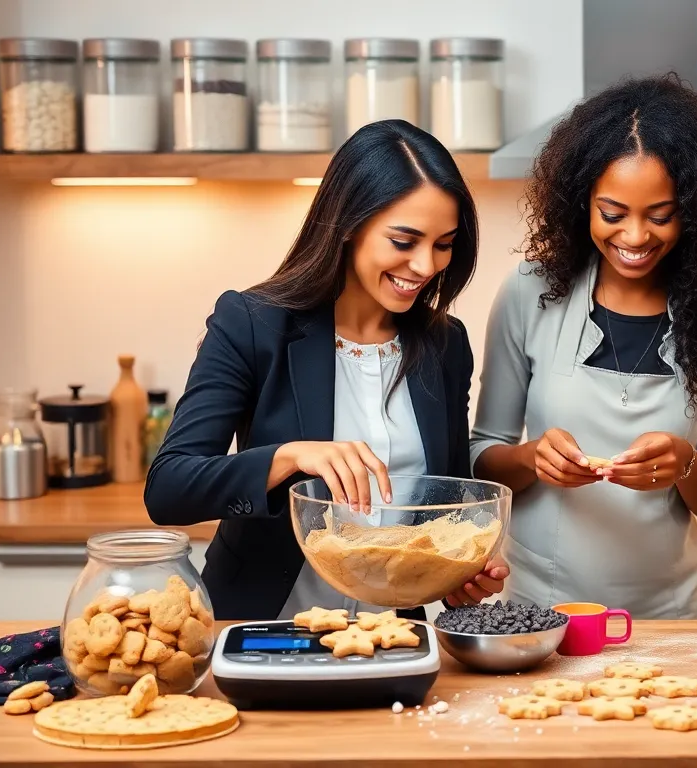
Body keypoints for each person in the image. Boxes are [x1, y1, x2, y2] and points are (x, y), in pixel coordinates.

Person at [145, 120, 507, 621]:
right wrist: (291, 457)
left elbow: (449, 509)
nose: (426, 266)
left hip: (393, 637)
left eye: (443, 244)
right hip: (261, 626)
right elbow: (169, 489)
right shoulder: (252, 323)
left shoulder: (445, 343)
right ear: (348, 225)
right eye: (404, 241)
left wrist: (457, 579)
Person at [470, 74, 697, 619]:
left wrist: (686, 466)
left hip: (673, 618)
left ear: (695, 210)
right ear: (581, 202)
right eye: (613, 213)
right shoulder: (530, 292)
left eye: (660, 215)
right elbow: (481, 455)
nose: (634, 237)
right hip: (542, 610)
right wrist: (534, 459)